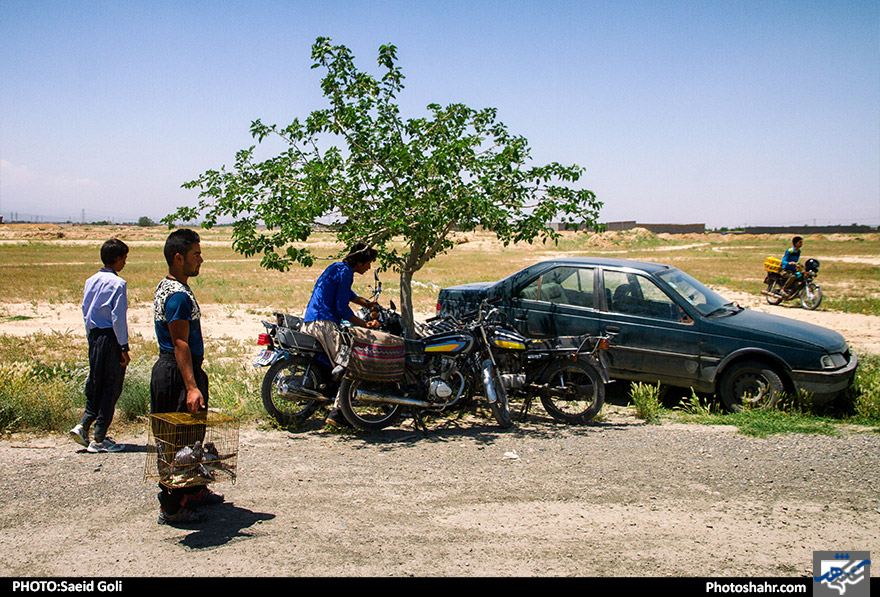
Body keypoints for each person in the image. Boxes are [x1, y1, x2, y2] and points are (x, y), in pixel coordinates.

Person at [150, 228, 222, 526]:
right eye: (195, 255)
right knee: (176, 443)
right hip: (177, 373)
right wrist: (192, 387)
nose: (201, 260)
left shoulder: (171, 286)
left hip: (182, 369)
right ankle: (172, 506)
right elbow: (179, 343)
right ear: (178, 258)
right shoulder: (177, 295)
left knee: (192, 437)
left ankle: (193, 490)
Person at [300, 242, 380, 428]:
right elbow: (342, 308)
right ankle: (338, 413)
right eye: (368, 263)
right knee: (350, 362)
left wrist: (366, 303)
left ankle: (324, 399)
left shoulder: (336, 267)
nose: (369, 268)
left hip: (311, 320)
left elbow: (346, 294)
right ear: (360, 262)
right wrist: (364, 324)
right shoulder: (346, 273)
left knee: (332, 363)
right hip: (325, 324)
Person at [70, 238, 130, 453]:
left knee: (95, 381)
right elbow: (117, 318)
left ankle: (84, 425)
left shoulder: (90, 281)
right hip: (110, 338)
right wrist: (123, 347)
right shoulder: (118, 284)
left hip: (94, 336)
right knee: (111, 386)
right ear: (116, 259)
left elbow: (86, 311)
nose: (124, 263)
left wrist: (91, 338)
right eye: (124, 258)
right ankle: (99, 437)